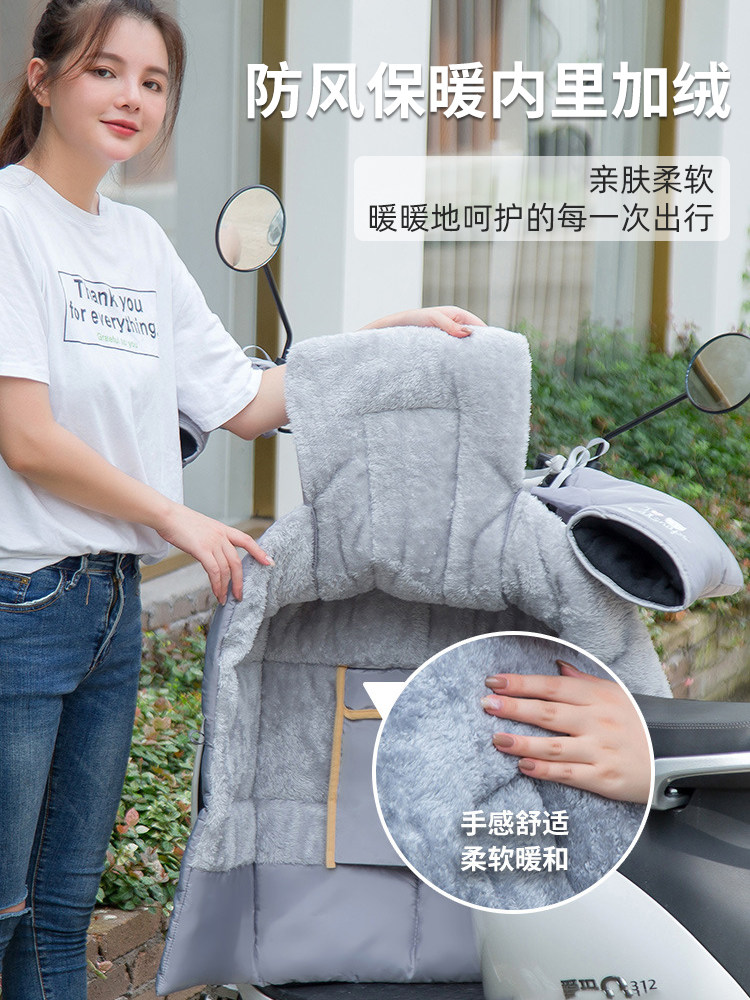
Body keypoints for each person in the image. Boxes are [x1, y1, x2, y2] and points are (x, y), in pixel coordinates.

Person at [0, 1, 484, 995]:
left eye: (154, 82)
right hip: (20, 604)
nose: (132, 97)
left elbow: (249, 400)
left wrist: (387, 342)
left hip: (110, 608)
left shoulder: (139, 243)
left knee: (57, 916)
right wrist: (173, 515)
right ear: (42, 79)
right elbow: (27, 436)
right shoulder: (9, 220)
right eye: (105, 71)